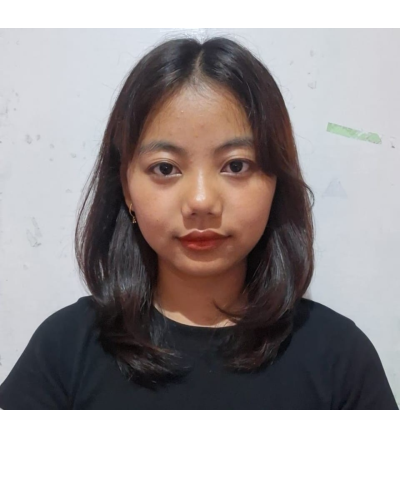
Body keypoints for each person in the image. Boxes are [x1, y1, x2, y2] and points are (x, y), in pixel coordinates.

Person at [0, 37, 397, 410]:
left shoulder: (340, 358)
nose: (202, 201)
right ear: (126, 188)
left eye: (236, 165)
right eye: (165, 168)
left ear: (276, 180)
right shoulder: (65, 349)